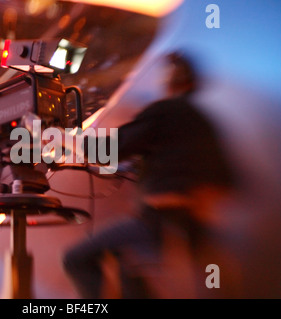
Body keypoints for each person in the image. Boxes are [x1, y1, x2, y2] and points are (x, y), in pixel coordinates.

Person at [62, 52, 236, 299]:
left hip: (159, 224)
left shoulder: (164, 111)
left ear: (169, 81)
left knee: (76, 259)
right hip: (198, 230)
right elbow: (227, 180)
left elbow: (107, 152)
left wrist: (65, 140)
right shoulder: (203, 122)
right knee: (126, 263)